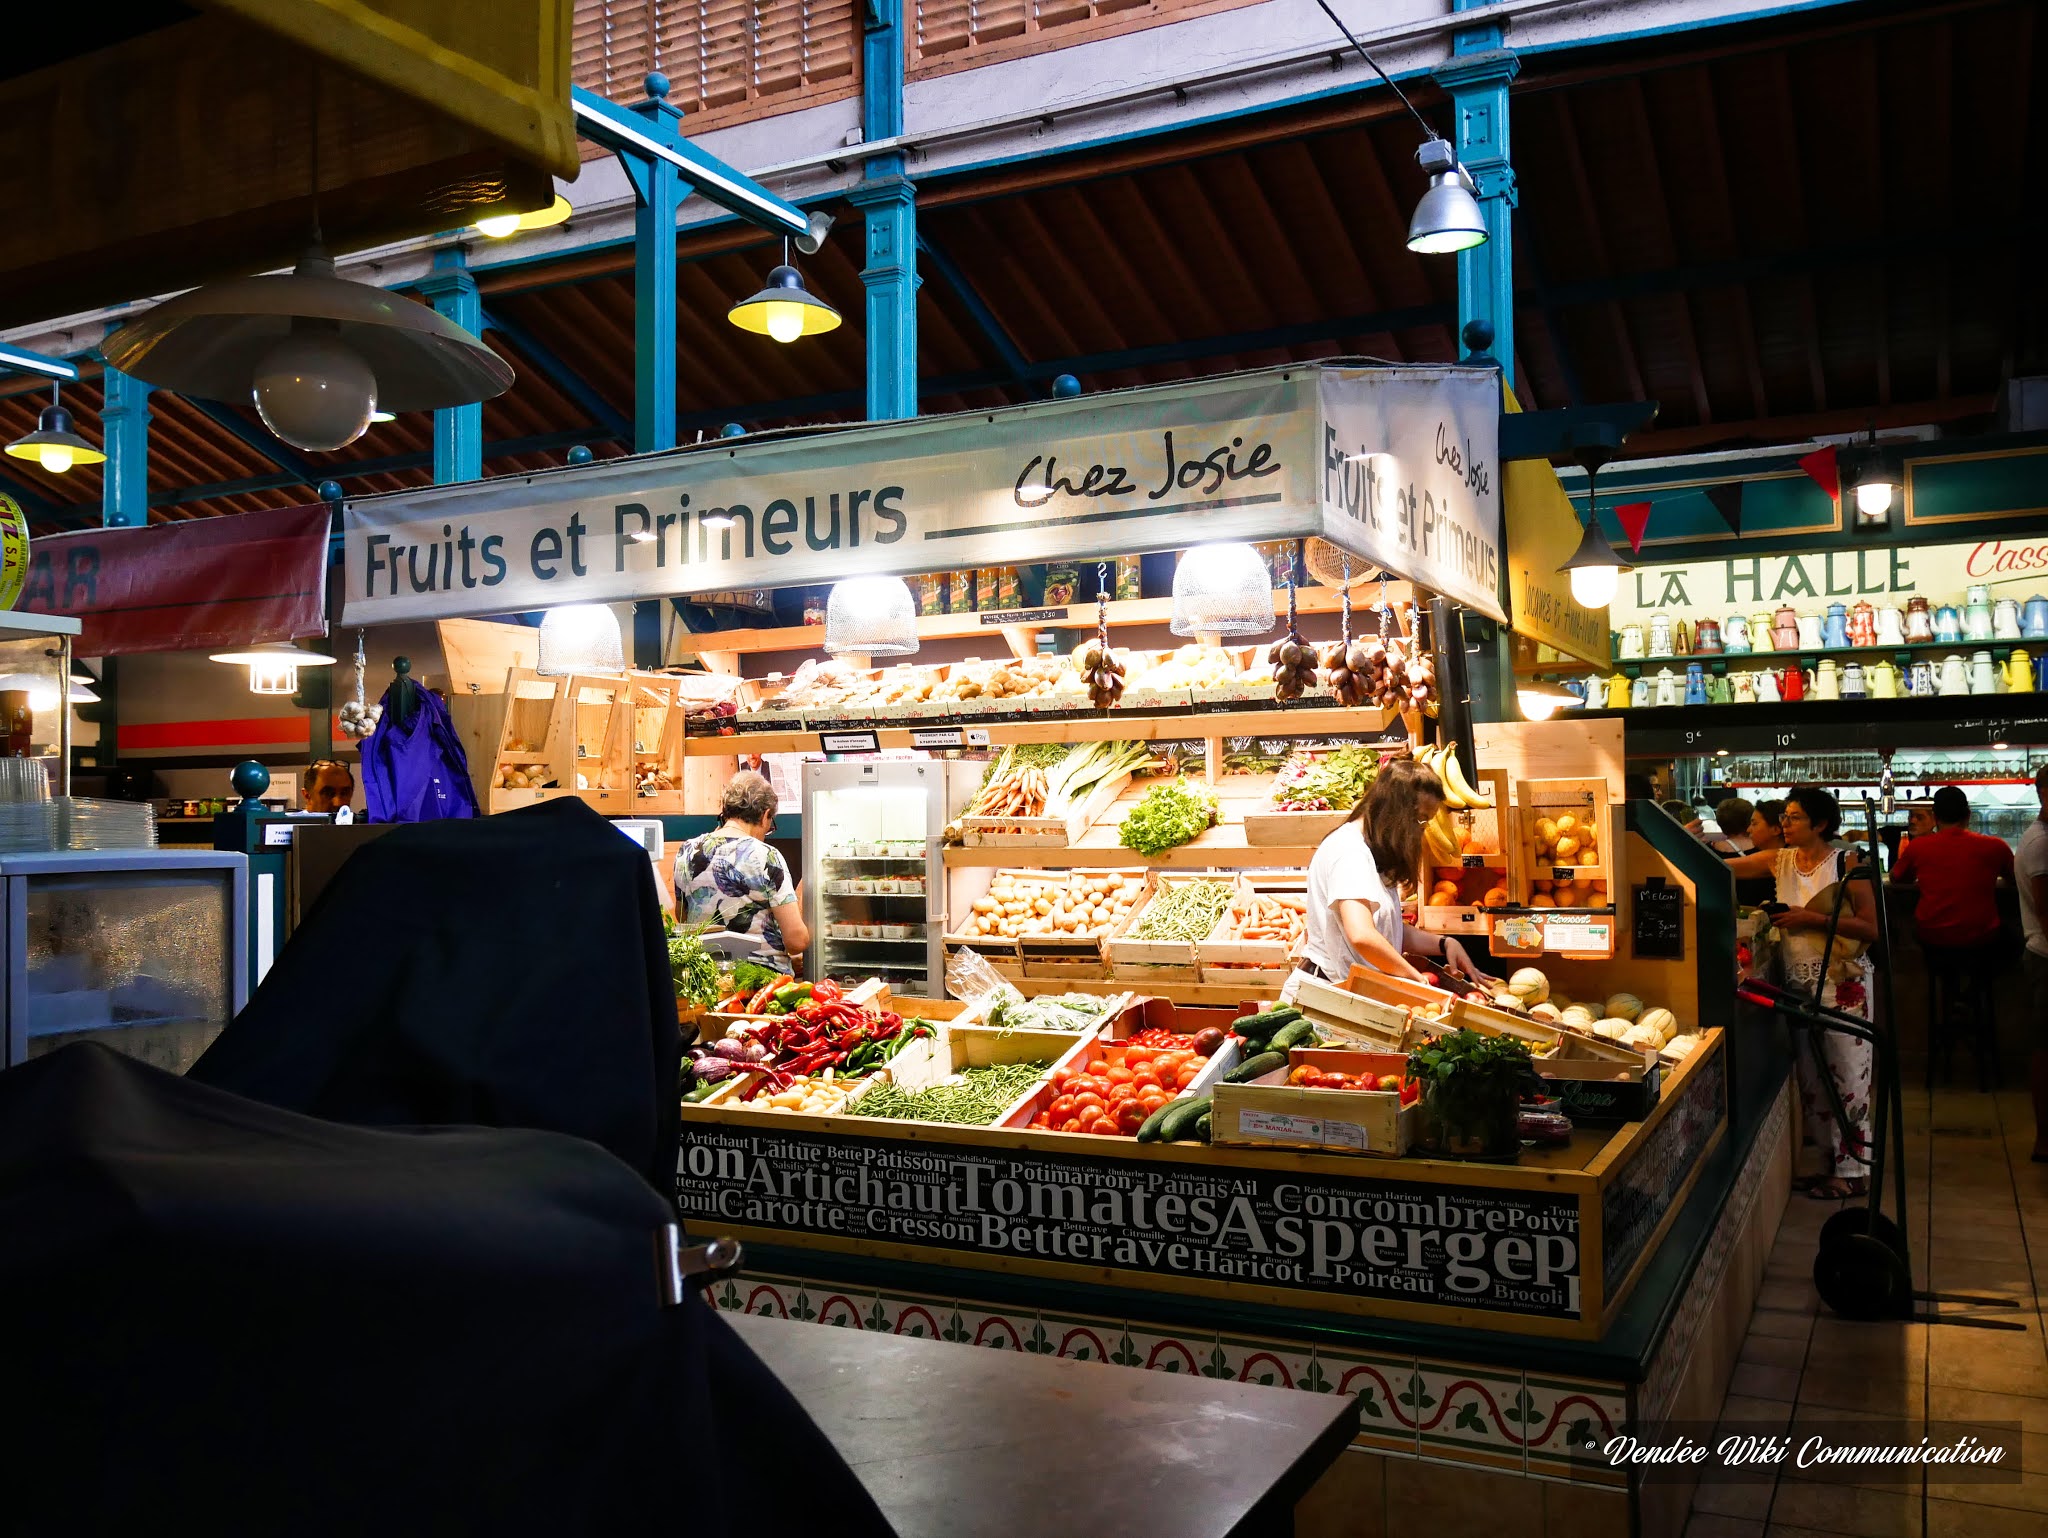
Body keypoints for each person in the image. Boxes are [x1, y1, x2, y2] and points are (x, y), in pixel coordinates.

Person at [1727, 787, 1880, 1200]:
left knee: (1848, 1076)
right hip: (1798, 983)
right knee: (1812, 1080)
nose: (1785, 824)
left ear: (1821, 824)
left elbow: (1871, 927)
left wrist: (1809, 918)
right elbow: (1722, 868)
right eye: (1784, 817)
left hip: (1843, 985)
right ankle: (1831, 1165)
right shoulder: (1779, 860)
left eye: (1794, 817)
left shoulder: (1847, 864)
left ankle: (1854, 1172)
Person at [1302, 757, 1488, 988]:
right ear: (1396, 810)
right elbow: (1362, 935)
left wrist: (1444, 943)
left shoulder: (1372, 852)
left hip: (1353, 990)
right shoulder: (1349, 852)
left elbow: (1388, 931)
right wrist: (1414, 978)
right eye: (1421, 820)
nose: (1422, 831)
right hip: (1329, 993)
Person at [1889, 786, 2014, 1086]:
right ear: (1968, 815)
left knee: (1940, 954)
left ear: (1935, 817)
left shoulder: (1919, 847)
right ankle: (1967, 999)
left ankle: (1956, 1000)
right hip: (1982, 941)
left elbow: (1896, 878)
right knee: (2014, 940)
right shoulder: (1995, 846)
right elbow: (2014, 878)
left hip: (1933, 943)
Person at [676, 771, 809, 975]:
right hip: (760, 979)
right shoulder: (766, 856)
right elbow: (796, 941)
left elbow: (683, 918)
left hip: (705, 976)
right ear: (765, 815)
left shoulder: (687, 850)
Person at [2015, 766, 2048, 1161]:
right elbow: (2046, 911)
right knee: (2044, 1048)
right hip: (2044, 956)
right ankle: (2045, 1138)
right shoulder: (2041, 843)